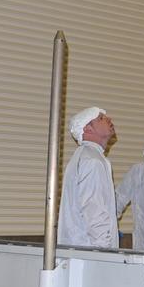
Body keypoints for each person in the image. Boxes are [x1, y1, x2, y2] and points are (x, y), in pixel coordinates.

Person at [58, 106, 118, 249]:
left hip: (82, 251)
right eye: (101, 118)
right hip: (92, 252)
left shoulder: (86, 156)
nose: (109, 119)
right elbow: (93, 209)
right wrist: (103, 252)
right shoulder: (92, 160)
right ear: (87, 129)